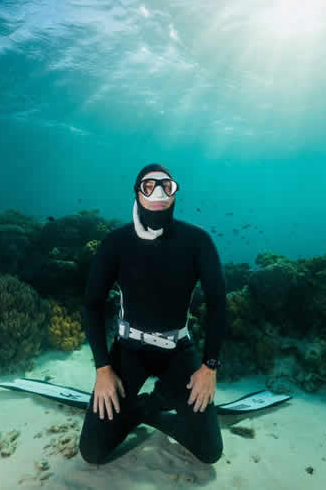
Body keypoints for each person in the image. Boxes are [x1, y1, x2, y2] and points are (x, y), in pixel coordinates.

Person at [78, 163, 226, 465]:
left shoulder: (198, 242)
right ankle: (139, 410)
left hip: (177, 350)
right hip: (129, 350)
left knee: (210, 452)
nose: (158, 192)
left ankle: (152, 408)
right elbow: (91, 304)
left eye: (166, 186)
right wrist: (102, 369)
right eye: (149, 186)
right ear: (137, 193)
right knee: (92, 452)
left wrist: (209, 367)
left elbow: (218, 305)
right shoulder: (116, 243)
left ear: (173, 195)